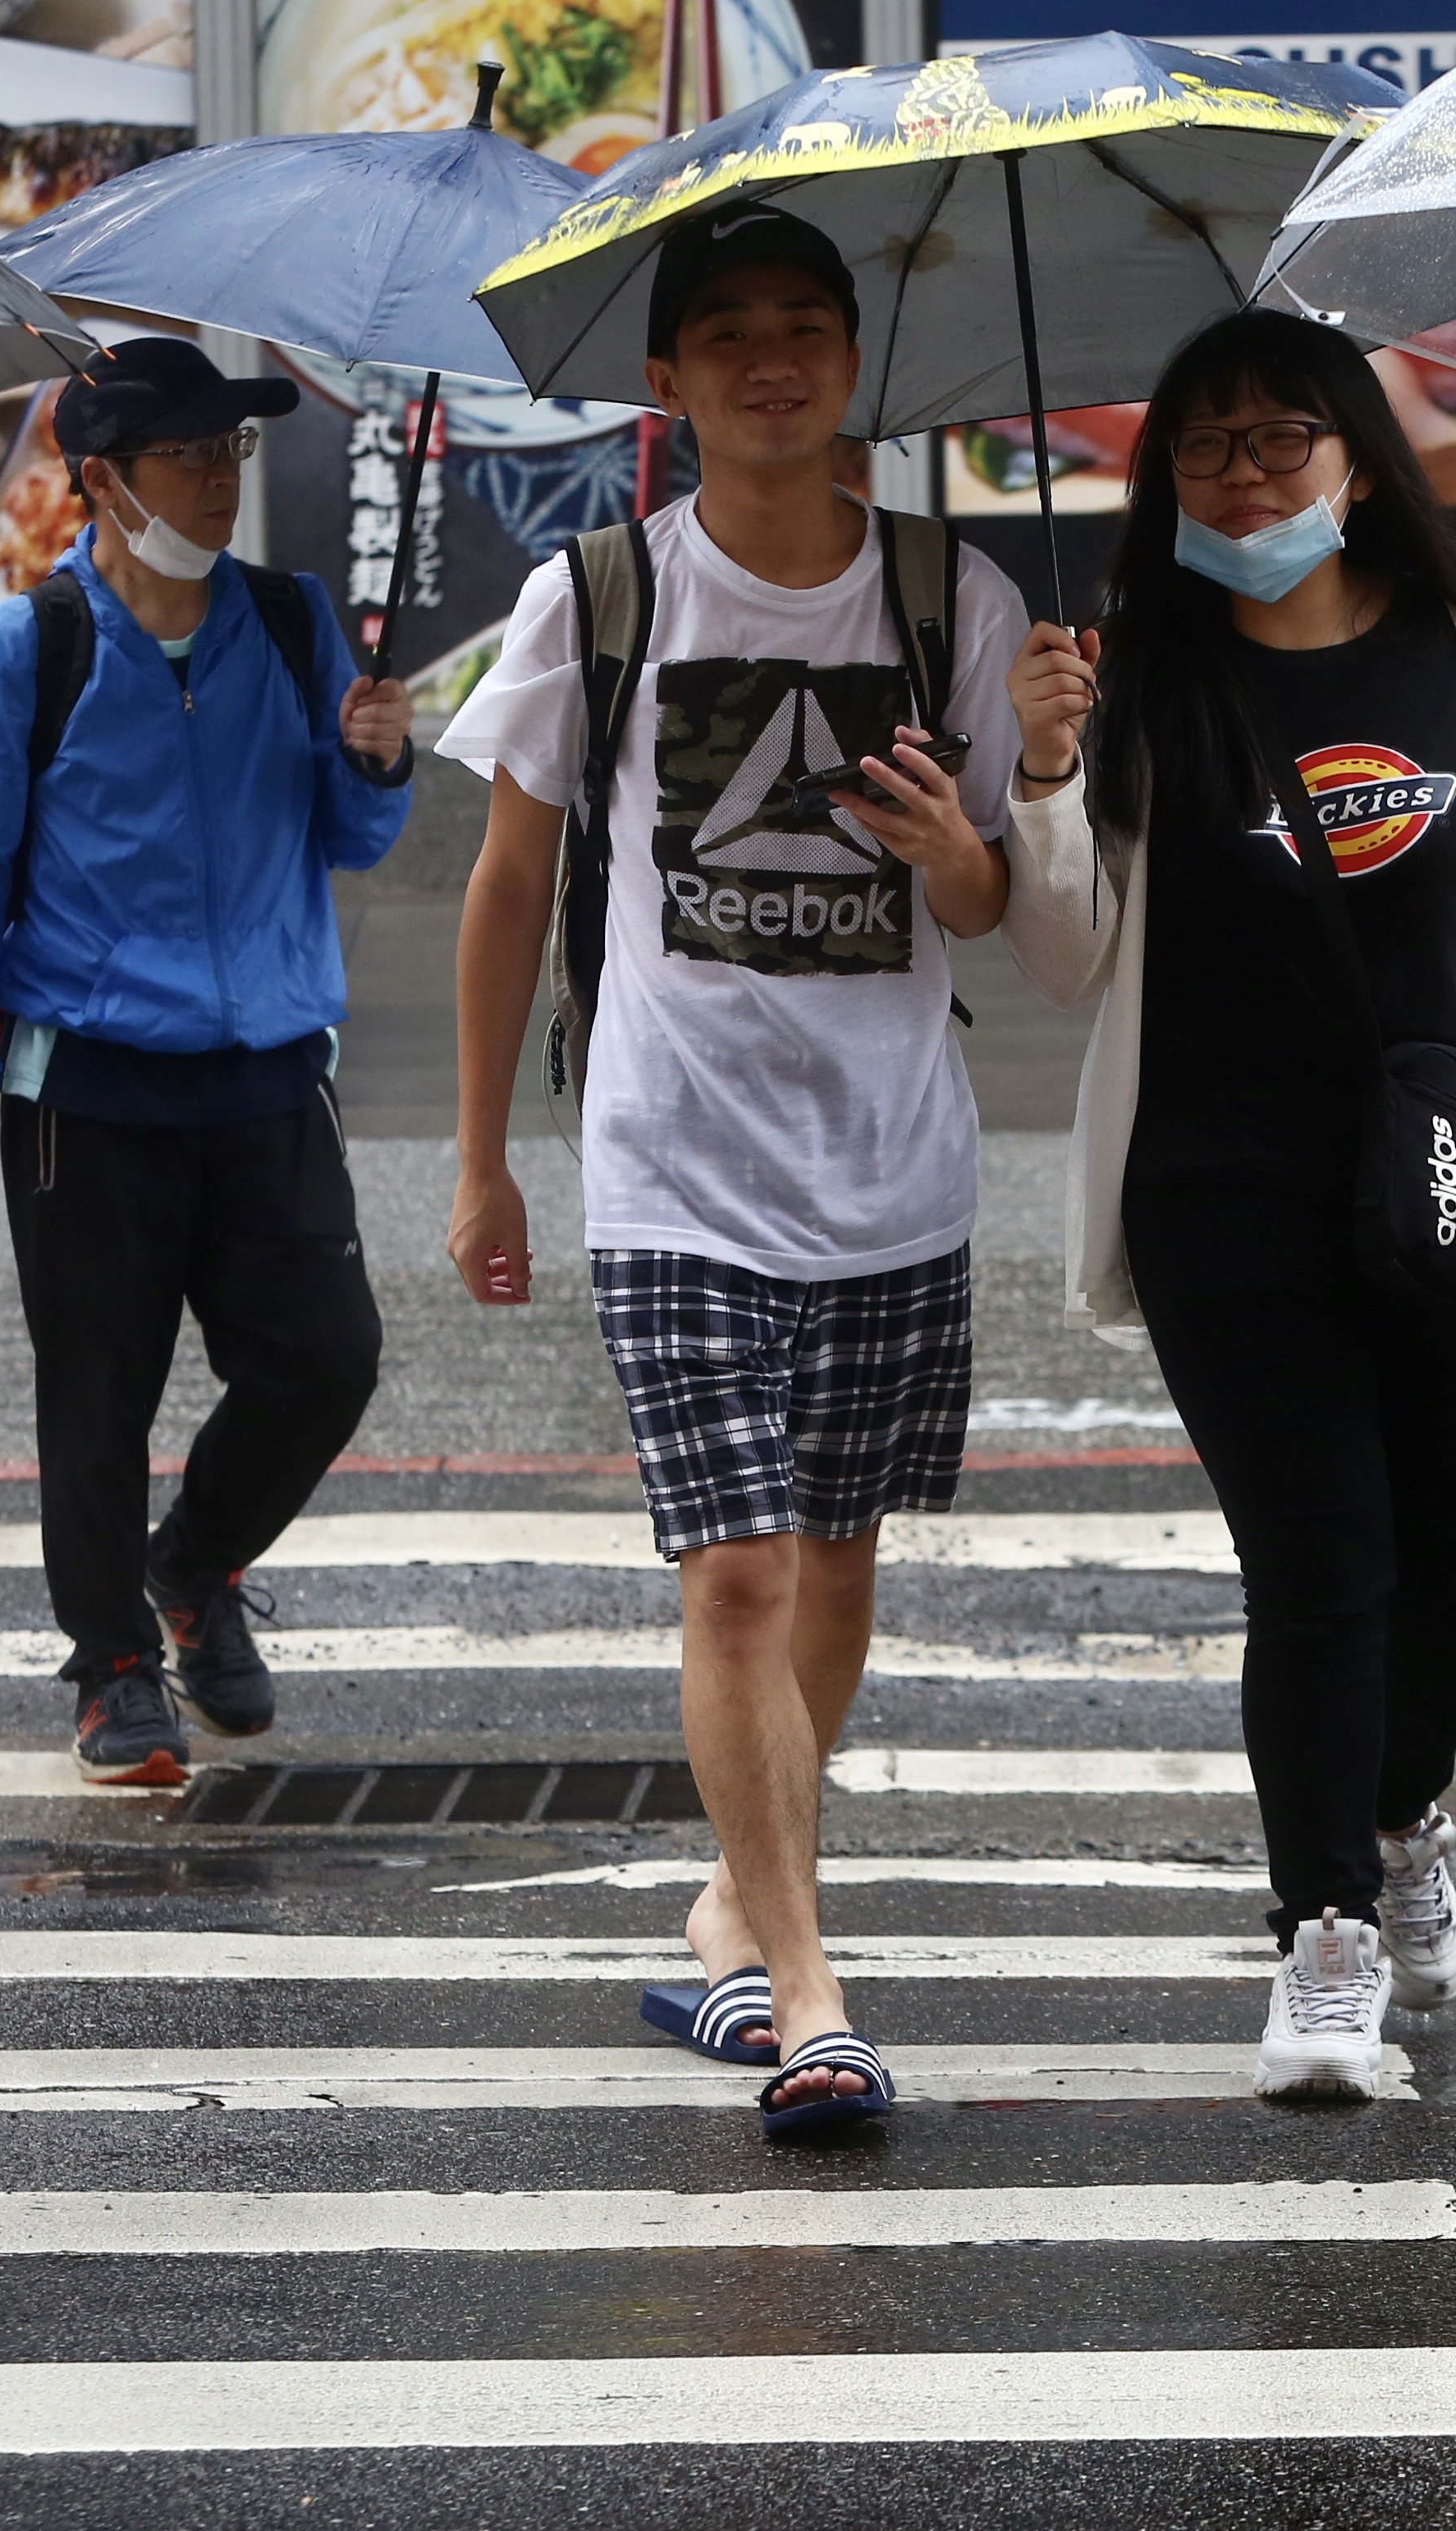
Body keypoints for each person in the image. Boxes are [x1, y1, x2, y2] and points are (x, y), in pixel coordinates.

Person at [1000, 309, 1456, 2100]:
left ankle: (1397, 1804)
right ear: (1165, 481)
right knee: (1320, 1573)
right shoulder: (1133, 677)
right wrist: (1044, 776)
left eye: (1286, 440)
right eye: (1208, 448)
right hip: (1226, 1197)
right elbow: (1064, 963)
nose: (1249, 475)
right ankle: (1326, 1938)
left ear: (1361, 462)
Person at [438, 201, 1028, 2143]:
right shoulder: (595, 595)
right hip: (670, 1161)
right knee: (740, 1575)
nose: (769, 360)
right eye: (727, 334)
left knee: (835, 1563)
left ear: (848, 364)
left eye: (803, 326)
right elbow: (509, 882)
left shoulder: (957, 599)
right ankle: (801, 1987)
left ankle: (734, 1887)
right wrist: (481, 1164)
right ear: (666, 381)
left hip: (892, 1164)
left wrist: (962, 828)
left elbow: (992, 903)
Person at [0, 338, 414, 1787]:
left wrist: (375, 759)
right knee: (97, 1392)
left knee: (326, 1360)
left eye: (233, 452)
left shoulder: (293, 621)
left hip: (267, 1072)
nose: (219, 478)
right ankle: (113, 1657)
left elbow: (350, 838)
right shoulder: (23, 649)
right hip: (92, 1088)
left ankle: (192, 1567)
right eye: (190, 454)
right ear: (103, 481)